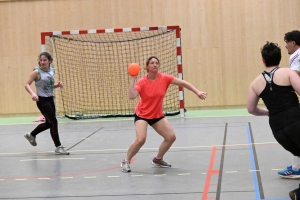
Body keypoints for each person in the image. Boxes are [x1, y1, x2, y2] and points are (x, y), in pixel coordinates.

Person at [121, 56, 208, 172]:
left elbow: (183, 83)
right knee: (140, 139)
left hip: (157, 115)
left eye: (156, 63)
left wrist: (197, 92)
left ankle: (158, 159)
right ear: (147, 67)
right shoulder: (142, 81)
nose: (155, 65)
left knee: (170, 137)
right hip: (142, 115)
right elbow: (132, 96)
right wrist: (132, 79)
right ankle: (126, 161)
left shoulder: (165, 78)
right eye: (152, 63)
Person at [247, 42, 300, 199]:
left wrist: (266, 113)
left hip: (278, 129)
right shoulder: (288, 73)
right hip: (295, 121)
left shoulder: (255, 83)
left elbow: (251, 109)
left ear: (263, 60)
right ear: (280, 58)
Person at [24, 52, 69, 155]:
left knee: (49, 123)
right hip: (42, 100)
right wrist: (32, 94)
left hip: (50, 99)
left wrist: (57, 85)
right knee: (54, 121)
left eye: (45, 60)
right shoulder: (36, 72)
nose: (42, 62)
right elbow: (26, 84)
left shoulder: (52, 70)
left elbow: (48, 85)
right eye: (41, 60)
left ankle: (31, 135)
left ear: (49, 61)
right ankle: (58, 146)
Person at [277, 30, 300, 179]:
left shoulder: (295, 56)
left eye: (287, 42)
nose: (285, 46)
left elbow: (294, 78)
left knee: (295, 135)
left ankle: (296, 169)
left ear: (293, 43)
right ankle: (296, 167)